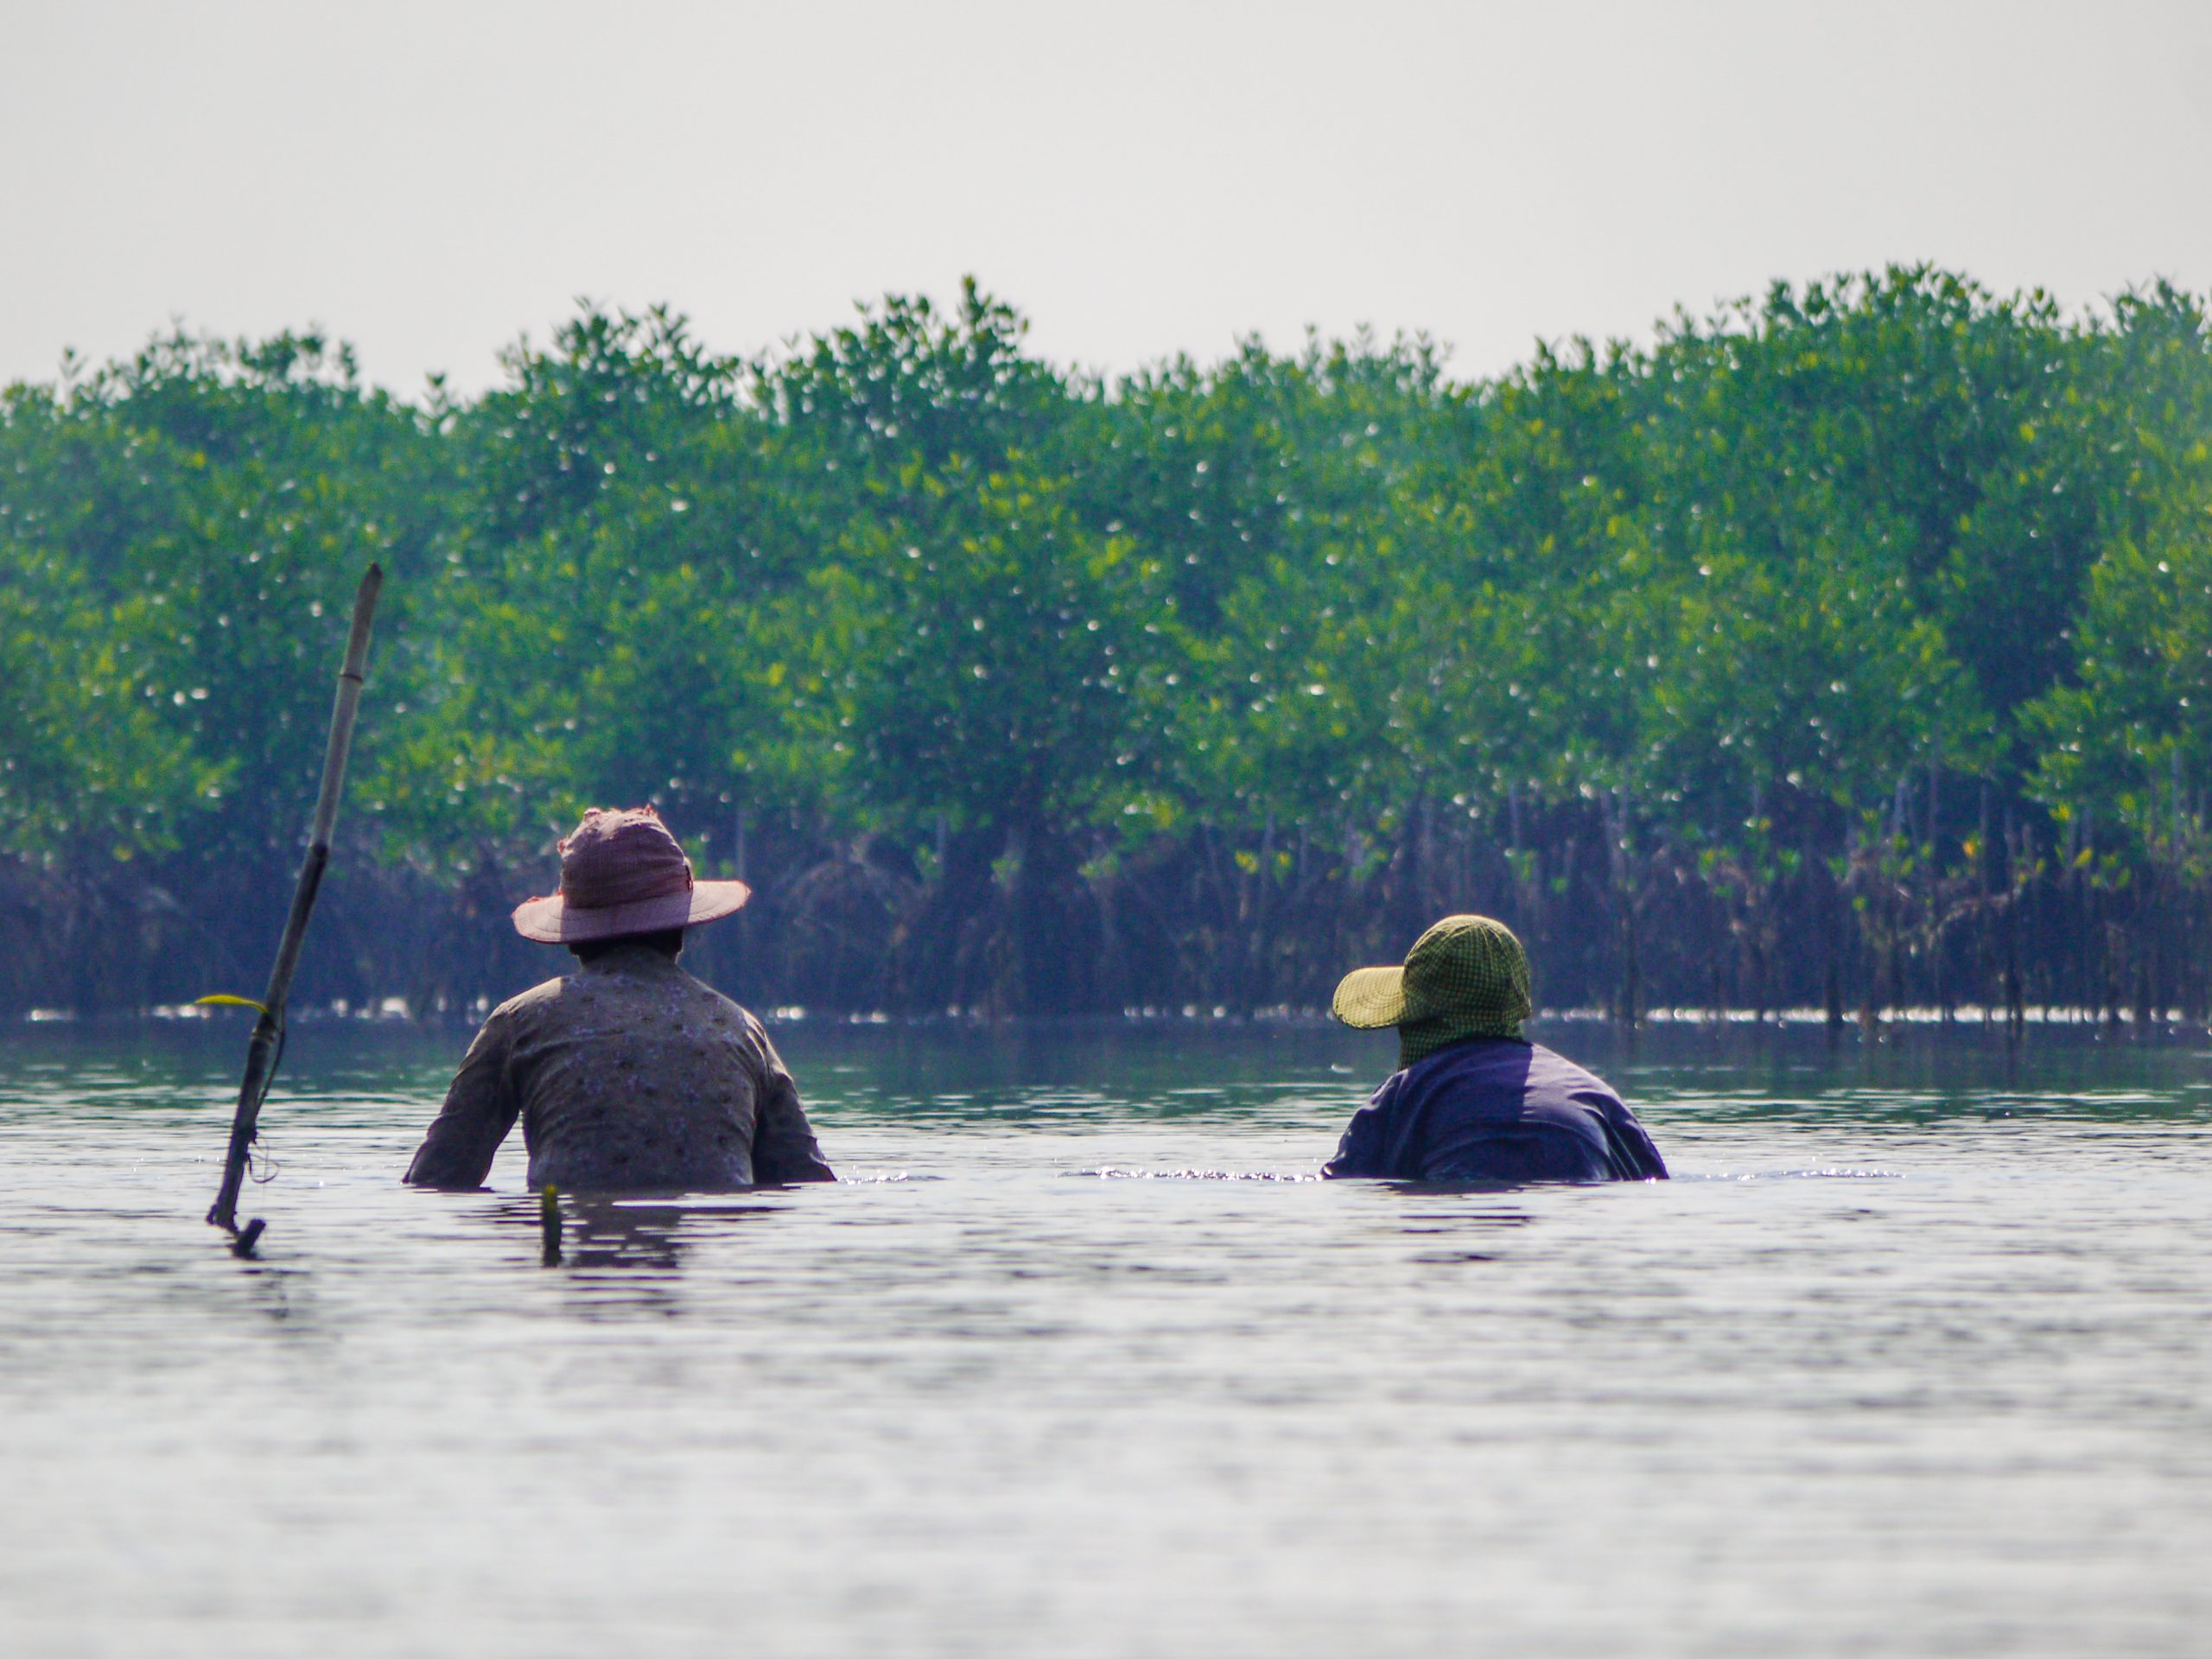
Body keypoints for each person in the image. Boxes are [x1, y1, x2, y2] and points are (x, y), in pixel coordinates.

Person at [404, 805, 835, 1192]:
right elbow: (804, 1180)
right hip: (701, 1273)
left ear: (573, 936)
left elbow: (439, 1176)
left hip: (569, 1261)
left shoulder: (520, 1022)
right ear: (682, 928)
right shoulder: (740, 1029)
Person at [1324, 914, 1666, 1184]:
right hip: (1574, 1218)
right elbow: (1653, 1182)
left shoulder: (1402, 1096)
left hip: (1454, 1198)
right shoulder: (1593, 1093)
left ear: (1414, 1020)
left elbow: (1344, 1182)